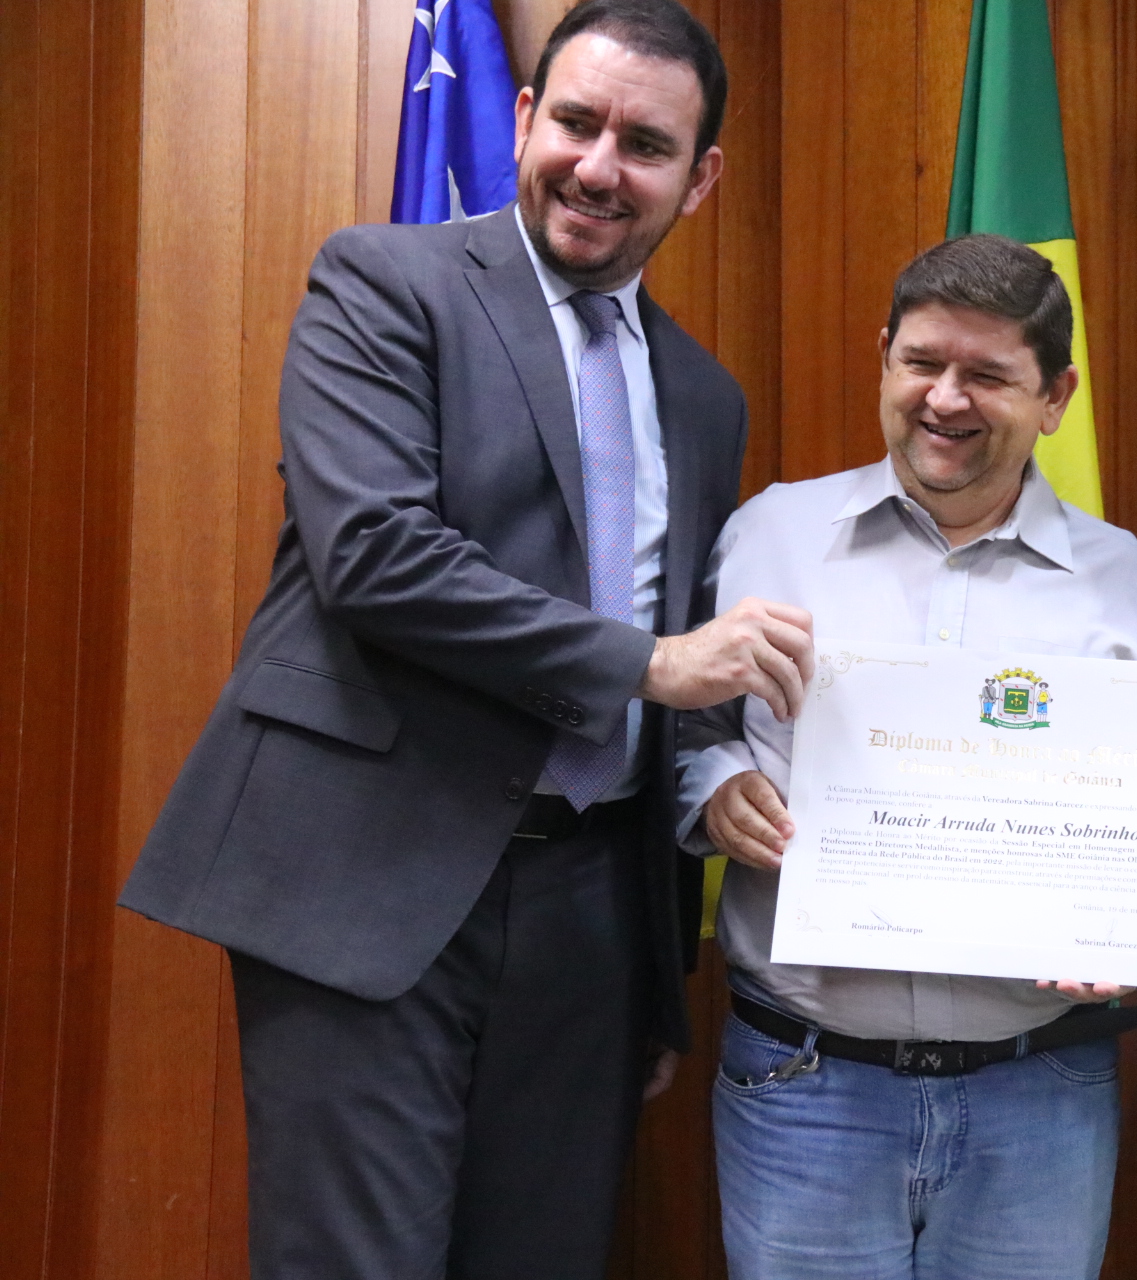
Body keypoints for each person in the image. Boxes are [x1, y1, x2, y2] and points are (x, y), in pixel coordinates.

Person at [116, 4, 814, 1276]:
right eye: (578, 123)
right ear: (525, 118)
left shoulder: (707, 397)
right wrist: (649, 664)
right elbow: (376, 556)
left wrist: (657, 975)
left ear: (699, 178)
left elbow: (688, 683)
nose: (600, 166)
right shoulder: (385, 282)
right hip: (370, 877)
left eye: (646, 145)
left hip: (590, 916)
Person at [678, 234, 1137, 1280]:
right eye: (923, 362)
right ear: (883, 359)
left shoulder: (1124, 579)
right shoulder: (769, 533)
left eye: (987, 374)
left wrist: (1131, 922)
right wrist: (715, 789)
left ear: (1056, 397)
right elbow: (685, 723)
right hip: (805, 1086)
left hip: (1041, 1092)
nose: (946, 398)